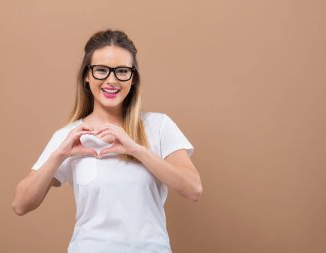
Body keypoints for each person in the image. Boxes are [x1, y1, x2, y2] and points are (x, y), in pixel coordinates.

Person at [12, 29, 203, 253]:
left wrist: (136, 149)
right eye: (101, 70)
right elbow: (21, 204)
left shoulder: (159, 126)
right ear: (86, 75)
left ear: (133, 78)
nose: (111, 80)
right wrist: (59, 155)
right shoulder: (69, 136)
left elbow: (193, 189)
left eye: (122, 71)